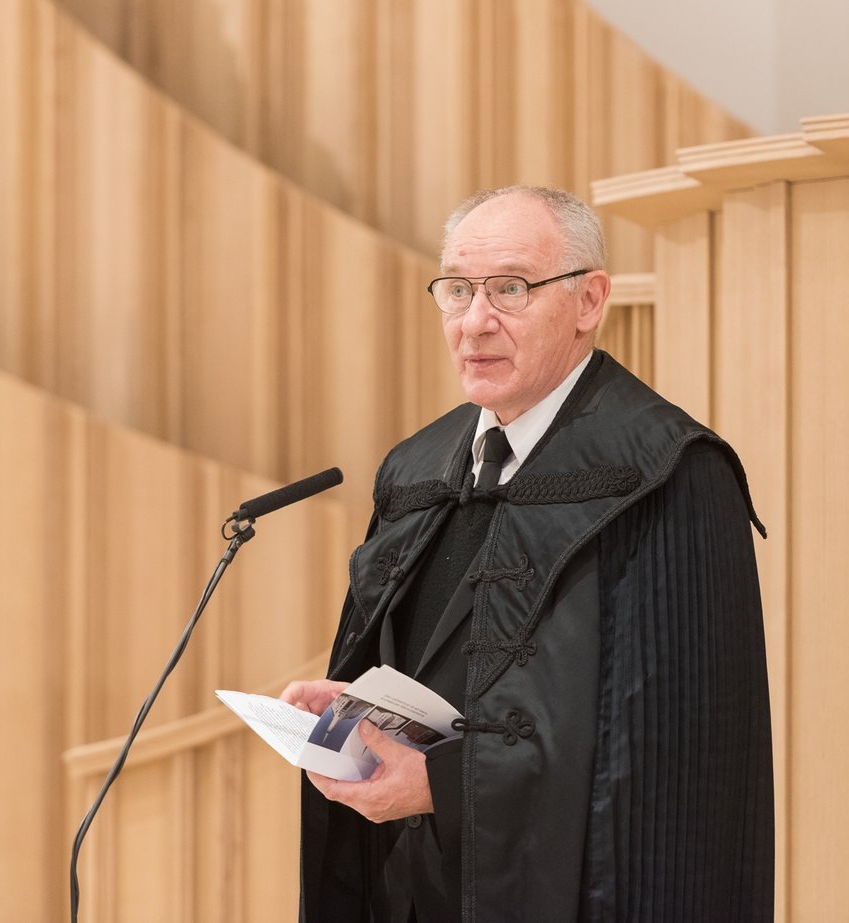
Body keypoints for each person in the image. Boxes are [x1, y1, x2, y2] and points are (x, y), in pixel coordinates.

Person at [281, 186, 774, 921]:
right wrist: (356, 711)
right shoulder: (417, 468)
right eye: (457, 290)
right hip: (409, 887)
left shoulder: (665, 473)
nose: (475, 321)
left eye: (510, 288)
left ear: (588, 301)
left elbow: (673, 755)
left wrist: (449, 785)